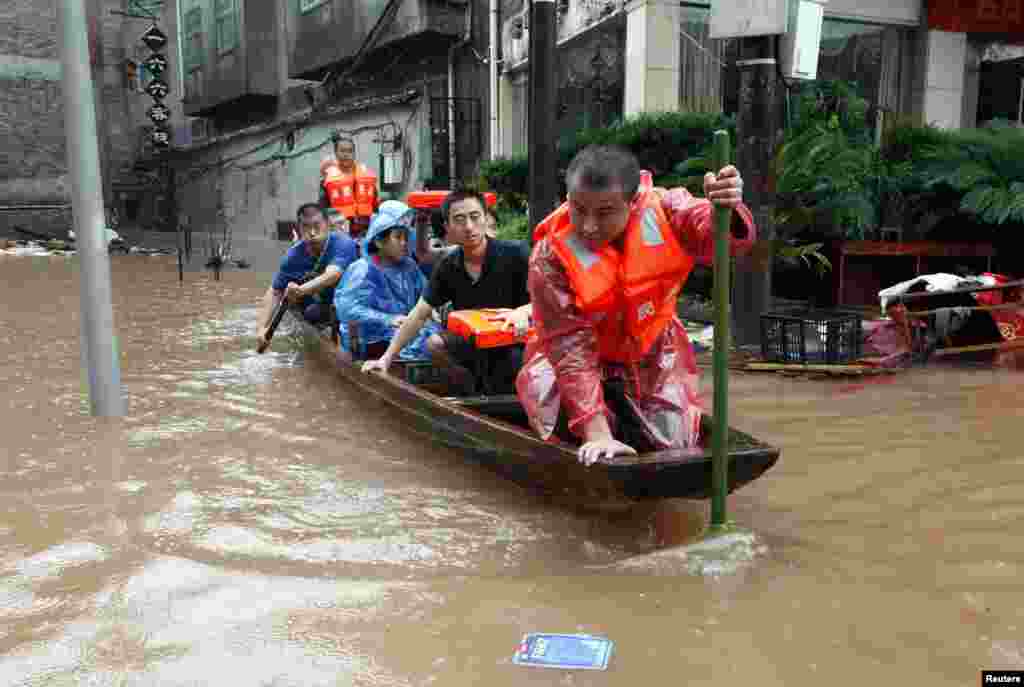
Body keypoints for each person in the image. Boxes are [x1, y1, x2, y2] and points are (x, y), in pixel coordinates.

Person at [516, 145, 755, 465]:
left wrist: (723, 209)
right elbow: (568, 347)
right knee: (559, 424)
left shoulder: (668, 208)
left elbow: (711, 232)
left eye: (604, 212)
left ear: (632, 202)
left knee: (675, 443)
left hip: (651, 352)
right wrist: (597, 434)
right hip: (573, 361)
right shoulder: (549, 257)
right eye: (578, 209)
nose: (588, 226)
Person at [361, 189, 532, 394]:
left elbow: (552, 300)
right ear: (447, 227)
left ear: (486, 219)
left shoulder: (517, 253)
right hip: (474, 343)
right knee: (434, 343)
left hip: (519, 339)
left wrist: (524, 311)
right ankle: (473, 394)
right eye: (459, 220)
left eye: (475, 217)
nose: (469, 227)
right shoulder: (448, 265)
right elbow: (418, 314)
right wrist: (386, 359)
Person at [336, 202, 440, 361]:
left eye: (406, 237)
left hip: (405, 331)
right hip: (372, 339)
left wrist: (430, 309)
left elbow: (425, 293)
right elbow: (347, 309)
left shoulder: (409, 266)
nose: (404, 242)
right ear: (378, 241)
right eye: (398, 237)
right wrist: (387, 319)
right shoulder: (363, 269)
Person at [256, 203, 359, 349]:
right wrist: (262, 328)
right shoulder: (293, 256)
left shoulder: (343, 244)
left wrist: (300, 290)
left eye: (317, 225)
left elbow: (333, 274)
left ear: (328, 225)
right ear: (299, 229)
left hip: (351, 305)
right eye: (306, 227)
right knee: (311, 313)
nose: (312, 232)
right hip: (321, 307)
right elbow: (275, 291)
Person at [320, 134, 378, 240]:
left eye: (350, 151)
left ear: (354, 154)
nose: (346, 154)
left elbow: (375, 206)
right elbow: (322, 210)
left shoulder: (367, 177)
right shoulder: (328, 180)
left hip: (365, 232)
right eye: (342, 151)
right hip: (340, 234)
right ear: (336, 153)